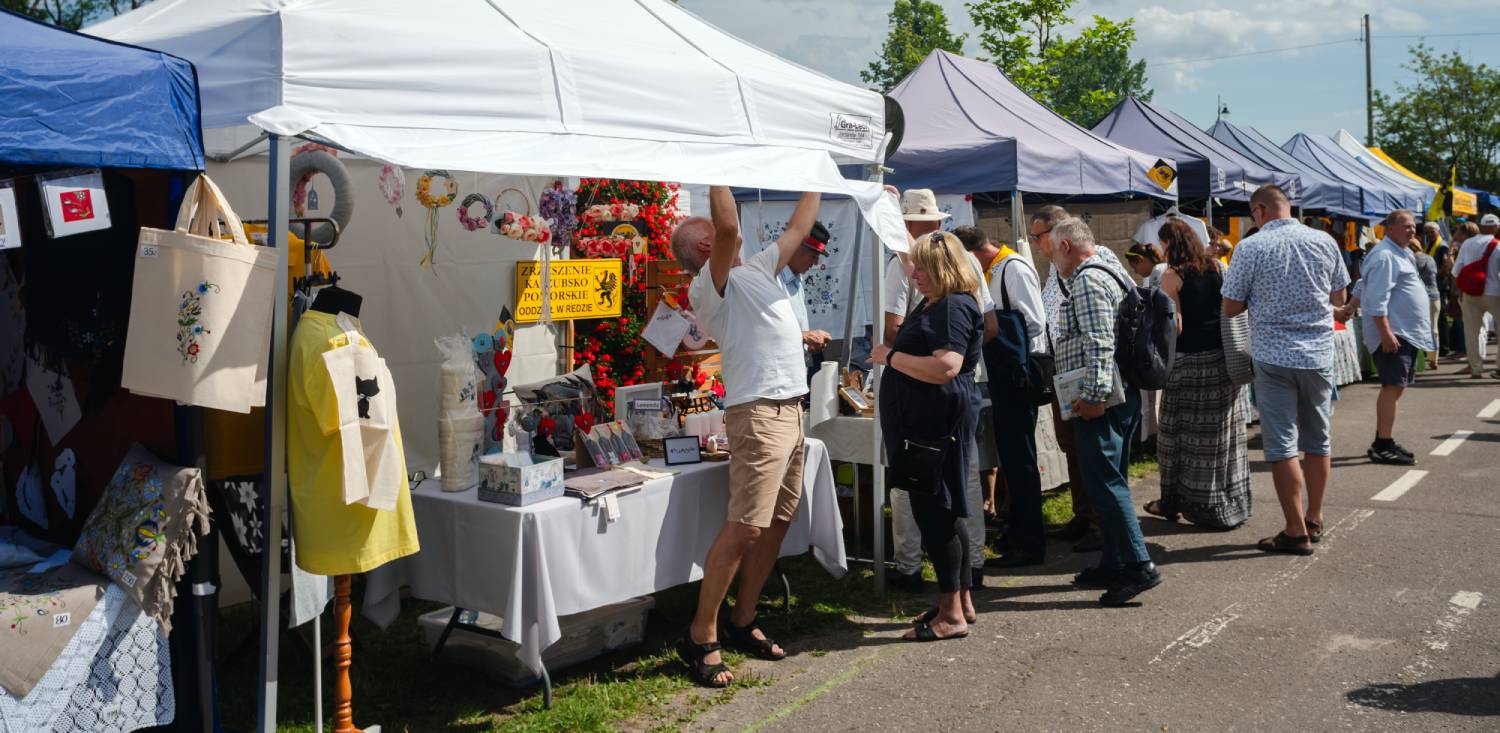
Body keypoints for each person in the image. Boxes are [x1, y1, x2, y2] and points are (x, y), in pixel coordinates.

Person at [669, 185, 824, 687]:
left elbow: (800, 228)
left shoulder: (754, 271)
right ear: (704, 250)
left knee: (777, 522)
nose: (730, 236)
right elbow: (730, 227)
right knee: (746, 527)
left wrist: (813, 169)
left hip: (789, 408)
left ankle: (742, 619)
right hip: (758, 412)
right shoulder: (710, 286)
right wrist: (719, 165)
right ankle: (701, 632)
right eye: (716, 236)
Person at [1221, 185, 1349, 556]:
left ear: (1260, 210)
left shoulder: (1251, 246)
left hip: (1274, 355)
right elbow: (1338, 298)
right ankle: (1315, 516)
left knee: (1281, 446)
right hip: (1319, 354)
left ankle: (1295, 531)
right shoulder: (1323, 241)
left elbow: (1231, 308)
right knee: (1318, 440)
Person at [871, 231, 984, 641]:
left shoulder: (950, 306)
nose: (913, 274)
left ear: (941, 268)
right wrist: (894, 223)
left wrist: (891, 357)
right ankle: (960, 601)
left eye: (921, 267)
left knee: (934, 513)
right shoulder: (942, 299)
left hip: (933, 423)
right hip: (929, 419)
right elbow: (907, 260)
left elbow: (946, 367)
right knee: (944, 511)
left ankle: (951, 615)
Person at [883, 190, 994, 591]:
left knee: (933, 500)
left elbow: (904, 340)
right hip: (953, 394)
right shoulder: (954, 273)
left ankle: (917, 571)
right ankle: (966, 580)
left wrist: (894, 357)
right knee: (957, 489)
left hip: (934, 402)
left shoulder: (940, 291)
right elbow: (988, 325)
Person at [1049, 216, 1161, 605]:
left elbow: (1099, 341)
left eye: (1049, 245)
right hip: (1120, 393)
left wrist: (1094, 396)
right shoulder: (1109, 266)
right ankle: (1113, 561)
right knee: (1108, 479)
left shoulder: (1087, 278)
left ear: (1066, 246)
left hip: (1105, 397)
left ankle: (1138, 564)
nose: (1049, 254)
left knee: (1106, 482)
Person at [1035, 205, 1132, 553]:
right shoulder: (1058, 266)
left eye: (1039, 235)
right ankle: (1088, 518)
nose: (1036, 243)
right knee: (1075, 450)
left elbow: (1100, 338)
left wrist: (1094, 394)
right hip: (1068, 373)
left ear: (1059, 236)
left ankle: (1112, 540)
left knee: (1101, 467)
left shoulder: (1090, 268)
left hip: (1093, 381)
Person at [1147, 219, 1251, 530]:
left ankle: (1173, 502)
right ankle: (1224, 501)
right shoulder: (1218, 268)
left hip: (1187, 366)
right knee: (1221, 438)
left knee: (1177, 437)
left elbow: (1174, 326)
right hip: (1221, 361)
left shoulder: (1171, 276)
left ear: (1169, 244)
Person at [958, 225, 1048, 568]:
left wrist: (1017, 357)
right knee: (1010, 459)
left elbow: (1035, 323)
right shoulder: (993, 271)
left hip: (1019, 377)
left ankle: (1030, 543)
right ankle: (1018, 533)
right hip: (1003, 376)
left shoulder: (1013, 268)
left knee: (1022, 462)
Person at [1350, 210, 1433, 464]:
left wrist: (1351, 305)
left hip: (1403, 332)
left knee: (1396, 388)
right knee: (1392, 387)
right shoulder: (1385, 255)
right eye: (1406, 226)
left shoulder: (1402, 252)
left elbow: (1364, 284)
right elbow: (1376, 297)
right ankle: (1383, 444)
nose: (1412, 231)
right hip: (1394, 332)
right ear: (1390, 228)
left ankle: (1382, 439)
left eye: (1413, 227)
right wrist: (1386, 333)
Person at [1453, 214, 1500, 379]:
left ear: (1480, 227)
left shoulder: (1467, 243)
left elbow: (1456, 270)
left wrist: (1460, 291)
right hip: (1494, 293)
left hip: (1470, 293)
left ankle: (1476, 369)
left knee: (1472, 332)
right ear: (1496, 227)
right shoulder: (1498, 245)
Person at [1446, 222, 1480, 362]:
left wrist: (1450, 251)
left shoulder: (1465, 247)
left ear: (1465, 233)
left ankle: (1466, 352)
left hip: (1463, 288)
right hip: (1470, 287)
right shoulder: (1476, 246)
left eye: (1458, 231)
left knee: (1464, 322)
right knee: (1463, 321)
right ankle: (1463, 351)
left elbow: (1454, 269)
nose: (1455, 233)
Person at [1409, 232, 1441, 371]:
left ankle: (1415, 359)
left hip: (1417, 297)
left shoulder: (1408, 259)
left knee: (1414, 327)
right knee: (1434, 327)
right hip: (1434, 295)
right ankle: (1433, 358)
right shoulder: (1429, 258)